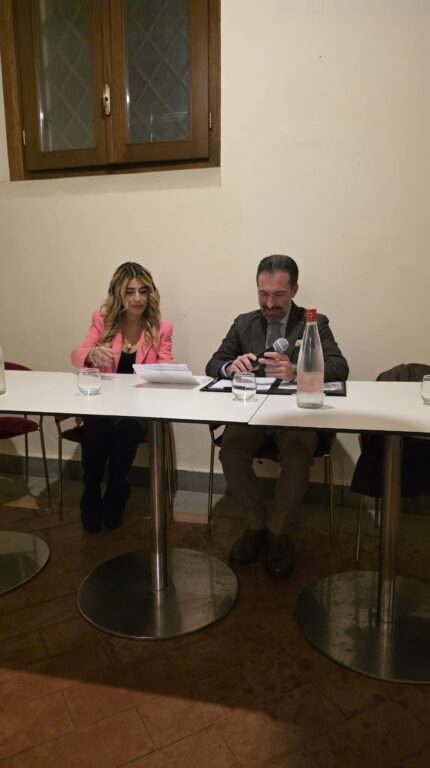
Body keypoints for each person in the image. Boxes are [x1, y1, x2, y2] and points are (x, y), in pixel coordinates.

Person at [205, 254, 348, 576]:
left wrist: (297, 370)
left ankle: (278, 532)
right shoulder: (244, 323)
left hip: (295, 416)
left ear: (294, 290)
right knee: (231, 450)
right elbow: (214, 363)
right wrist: (230, 367)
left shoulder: (313, 322)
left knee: (297, 453)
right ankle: (256, 524)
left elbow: (340, 367)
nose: (269, 303)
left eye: (279, 294)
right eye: (263, 294)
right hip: (252, 415)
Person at [71, 262, 173, 533]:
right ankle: (91, 491)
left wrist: (163, 370)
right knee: (97, 425)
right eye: (129, 292)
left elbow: (165, 366)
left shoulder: (161, 328)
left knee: (126, 428)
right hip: (104, 403)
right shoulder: (102, 320)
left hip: (139, 407)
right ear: (118, 294)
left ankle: (117, 488)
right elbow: (77, 355)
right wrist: (92, 354)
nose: (137, 298)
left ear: (151, 293)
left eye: (143, 291)